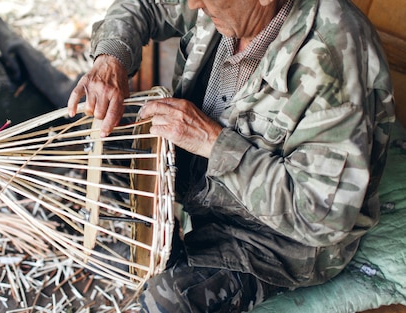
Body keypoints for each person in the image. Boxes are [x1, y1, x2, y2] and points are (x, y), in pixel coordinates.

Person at [67, 0, 396, 312]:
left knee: (168, 300)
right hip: (199, 185)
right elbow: (148, 4)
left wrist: (213, 142)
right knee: (90, 150)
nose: (193, 4)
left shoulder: (332, 57)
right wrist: (111, 56)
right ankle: (160, 252)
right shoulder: (228, 7)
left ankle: (175, 261)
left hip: (273, 239)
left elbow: (323, 215)